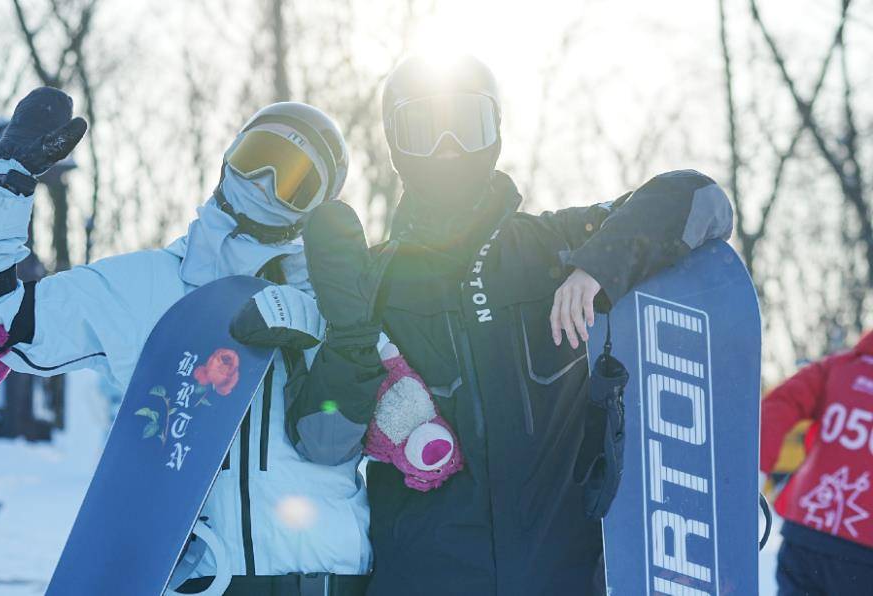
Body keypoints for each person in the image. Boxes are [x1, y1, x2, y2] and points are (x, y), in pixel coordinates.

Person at [287, 55, 735, 595]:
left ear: (495, 132)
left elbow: (699, 196)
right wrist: (350, 338)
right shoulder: (370, 284)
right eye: (424, 129)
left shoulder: (557, 246)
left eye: (466, 123)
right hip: (426, 580)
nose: (447, 146)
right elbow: (322, 442)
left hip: (564, 574)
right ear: (396, 143)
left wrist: (599, 265)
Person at [0, 87, 370, 595]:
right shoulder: (148, 289)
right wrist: (8, 182)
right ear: (230, 155)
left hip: (333, 579)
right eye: (258, 158)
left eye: (294, 182)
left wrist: (347, 325)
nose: (263, 183)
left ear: (315, 208)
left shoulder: (339, 306)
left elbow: (373, 430)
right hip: (210, 580)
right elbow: (1, 320)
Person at [761, 333, 873, 595]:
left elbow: (779, 404)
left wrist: (755, 468)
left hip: (806, 532)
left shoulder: (839, 367)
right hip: (865, 553)